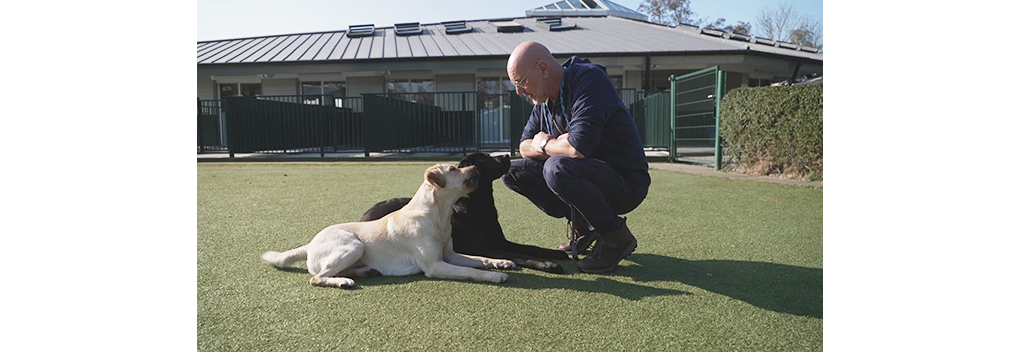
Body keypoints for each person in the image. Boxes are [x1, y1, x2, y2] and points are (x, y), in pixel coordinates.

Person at [501, 41, 651, 274]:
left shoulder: (588, 80)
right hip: (589, 175)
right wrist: (553, 144)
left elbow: (576, 148)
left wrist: (545, 143)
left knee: (556, 167)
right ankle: (585, 225)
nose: (519, 91)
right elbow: (523, 146)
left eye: (521, 82)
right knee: (513, 172)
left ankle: (615, 237)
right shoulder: (543, 100)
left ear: (543, 69)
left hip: (626, 182)